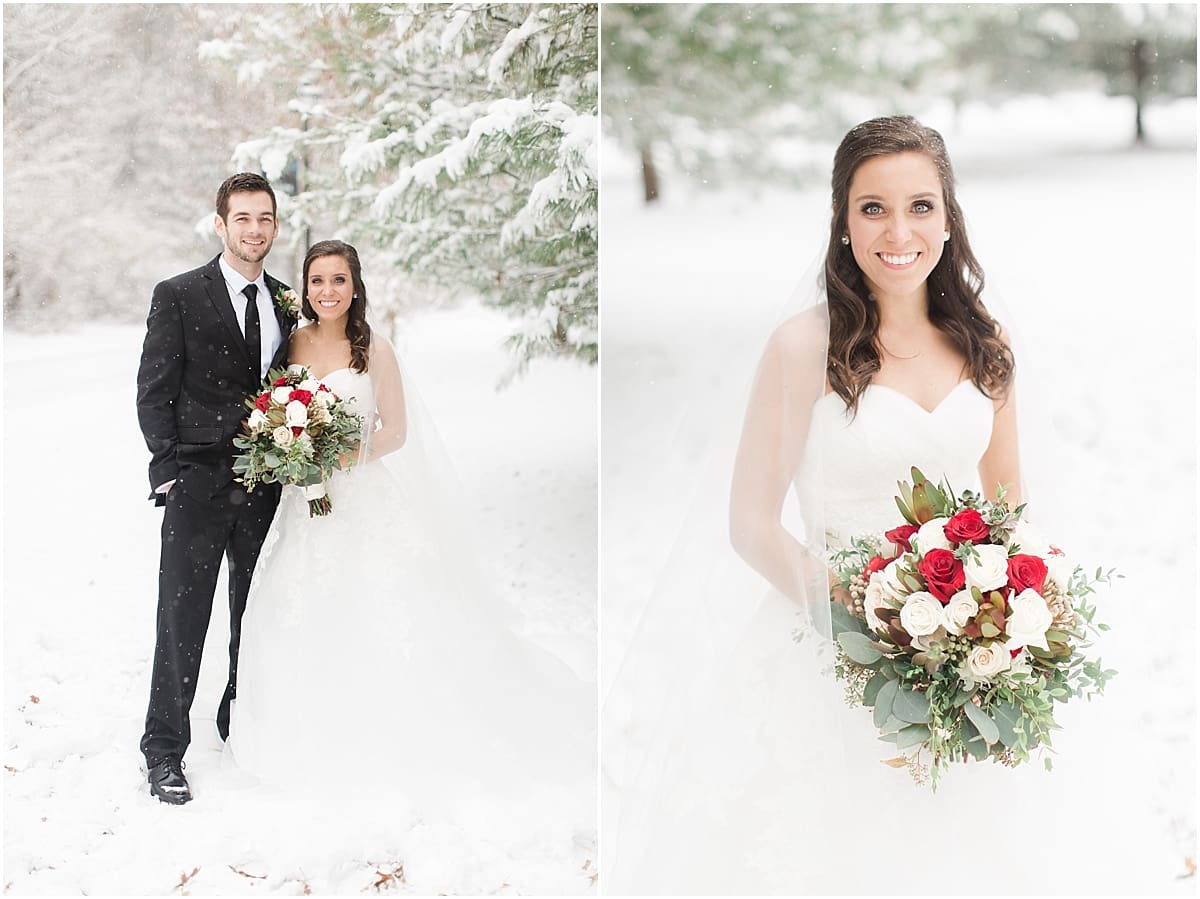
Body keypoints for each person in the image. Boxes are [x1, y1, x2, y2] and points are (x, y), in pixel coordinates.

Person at [606, 116, 1168, 893]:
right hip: (828, 647)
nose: (898, 230)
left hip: (966, 651)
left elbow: (1009, 510)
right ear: (842, 219)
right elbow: (750, 522)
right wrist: (863, 619)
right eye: (872, 207)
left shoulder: (987, 346)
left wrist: (997, 623)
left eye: (920, 206)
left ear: (948, 217)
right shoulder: (804, 348)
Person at [226, 241, 594, 849]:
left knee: (386, 606)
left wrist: (338, 455)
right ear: (306, 286)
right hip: (307, 507)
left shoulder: (375, 350)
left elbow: (394, 431)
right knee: (305, 608)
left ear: (354, 285)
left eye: (338, 280)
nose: (327, 292)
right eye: (317, 281)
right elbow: (270, 411)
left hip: (364, 498)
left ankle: (401, 728)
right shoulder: (290, 346)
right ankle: (310, 730)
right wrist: (292, 454)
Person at [136, 173, 296, 804]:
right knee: (182, 617)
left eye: (265, 218)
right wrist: (169, 468)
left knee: (253, 614)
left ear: (275, 226)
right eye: (243, 218)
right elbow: (154, 390)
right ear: (220, 223)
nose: (254, 229)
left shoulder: (288, 301)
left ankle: (238, 720)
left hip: (265, 484)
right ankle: (163, 748)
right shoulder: (177, 295)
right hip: (197, 482)